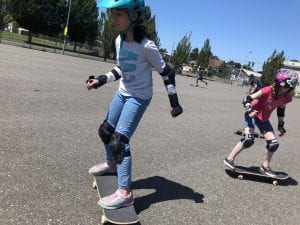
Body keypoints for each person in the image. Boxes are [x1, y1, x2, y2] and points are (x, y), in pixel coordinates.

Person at [85, 0, 183, 210]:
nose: (114, 19)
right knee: (105, 132)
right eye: (113, 14)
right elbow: (122, 67)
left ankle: (125, 192)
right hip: (123, 92)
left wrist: (174, 103)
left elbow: (167, 73)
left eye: (119, 14)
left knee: (119, 143)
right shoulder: (120, 40)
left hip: (139, 97)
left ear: (134, 16)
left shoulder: (147, 46)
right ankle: (111, 165)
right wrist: (101, 80)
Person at [224, 69, 298, 177]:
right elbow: (247, 98)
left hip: (263, 119)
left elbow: (281, 110)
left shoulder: (287, 97)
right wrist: (249, 109)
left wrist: (281, 125)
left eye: (287, 88)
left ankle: (265, 167)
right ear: (277, 84)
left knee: (273, 144)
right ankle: (229, 159)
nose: (284, 89)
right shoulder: (267, 90)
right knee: (248, 139)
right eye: (283, 86)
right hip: (252, 114)